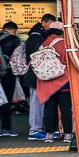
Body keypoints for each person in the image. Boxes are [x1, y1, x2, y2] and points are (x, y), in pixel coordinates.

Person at [36, 20, 76, 143]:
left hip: (46, 83)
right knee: (65, 109)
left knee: (49, 109)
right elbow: (77, 58)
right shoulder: (64, 43)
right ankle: (68, 135)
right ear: (62, 31)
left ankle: (49, 134)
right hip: (63, 82)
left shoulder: (43, 44)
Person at [23, 13, 54, 141]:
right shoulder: (36, 38)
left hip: (36, 75)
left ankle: (37, 128)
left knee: (38, 102)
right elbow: (39, 57)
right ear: (43, 23)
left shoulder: (35, 36)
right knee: (37, 103)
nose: (51, 27)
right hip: (36, 76)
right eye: (50, 24)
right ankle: (35, 130)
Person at [0, 21, 21, 137]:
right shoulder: (14, 39)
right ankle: (6, 128)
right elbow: (18, 58)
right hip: (8, 72)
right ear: (14, 30)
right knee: (6, 100)